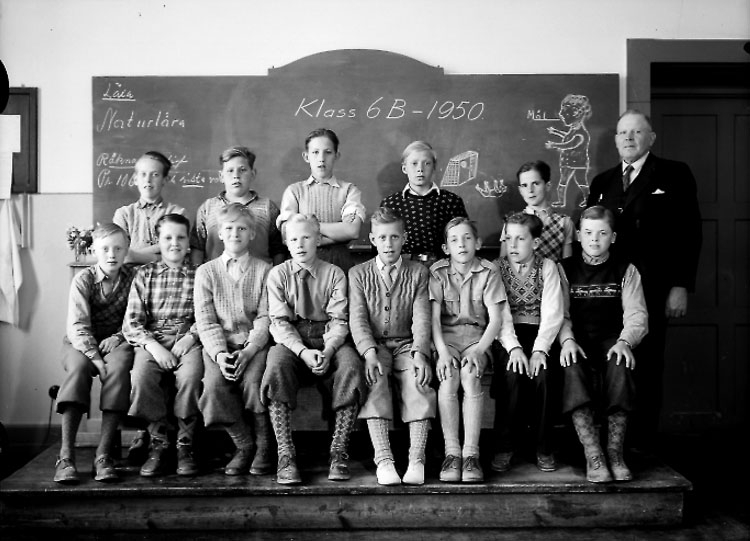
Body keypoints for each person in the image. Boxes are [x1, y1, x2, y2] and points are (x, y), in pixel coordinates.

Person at [587, 110, 702, 449]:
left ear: (651, 138)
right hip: (610, 290)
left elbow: (690, 233)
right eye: (623, 132)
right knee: (612, 362)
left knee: (647, 364)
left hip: (655, 287)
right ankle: (610, 443)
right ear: (615, 140)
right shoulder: (602, 182)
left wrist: (681, 285)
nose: (629, 138)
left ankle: (642, 445)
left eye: (637, 132)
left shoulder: (674, 174)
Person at [261, 213, 366, 484]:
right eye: (293, 239)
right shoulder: (278, 275)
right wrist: (302, 352)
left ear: (318, 240)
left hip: (328, 335)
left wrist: (329, 350)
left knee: (351, 365)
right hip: (293, 337)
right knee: (276, 364)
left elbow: (339, 319)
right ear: (286, 243)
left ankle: (338, 450)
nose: (300, 244)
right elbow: (279, 323)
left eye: (306, 237)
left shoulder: (334, 274)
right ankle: (286, 454)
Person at [558, 206, 648, 483]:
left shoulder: (626, 270)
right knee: (572, 366)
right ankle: (593, 453)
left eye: (602, 233)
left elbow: (637, 315)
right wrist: (567, 340)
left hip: (612, 339)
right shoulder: (565, 269)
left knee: (620, 364)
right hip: (577, 340)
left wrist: (625, 341)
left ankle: (614, 452)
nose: (594, 239)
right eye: (588, 233)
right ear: (578, 235)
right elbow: (559, 314)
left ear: (613, 237)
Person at [349, 207, 435, 486]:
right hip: (375, 347)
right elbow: (358, 319)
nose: (389, 244)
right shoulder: (358, 273)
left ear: (404, 238)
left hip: (407, 345)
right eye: (383, 238)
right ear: (372, 239)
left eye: (395, 237)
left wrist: (420, 353)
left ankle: (417, 459)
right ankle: (384, 460)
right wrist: (368, 352)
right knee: (374, 380)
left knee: (418, 380)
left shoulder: (418, 273)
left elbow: (422, 318)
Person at [194, 203, 274, 476]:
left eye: (242, 228)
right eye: (229, 228)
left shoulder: (265, 270)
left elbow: (266, 316)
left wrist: (250, 350)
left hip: (254, 345)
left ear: (252, 234)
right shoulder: (206, 272)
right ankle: (244, 444)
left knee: (254, 383)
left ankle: (264, 445)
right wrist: (219, 354)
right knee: (214, 386)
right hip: (219, 346)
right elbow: (206, 320)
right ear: (219, 233)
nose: (235, 234)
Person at [53, 223, 136, 484]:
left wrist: (118, 337)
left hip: (117, 341)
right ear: (93, 251)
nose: (112, 255)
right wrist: (95, 358)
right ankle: (66, 456)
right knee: (78, 370)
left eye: (118, 249)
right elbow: (78, 325)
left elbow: (137, 317)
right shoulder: (84, 280)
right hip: (81, 342)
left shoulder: (134, 278)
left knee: (118, 368)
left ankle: (103, 455)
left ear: (126, 250)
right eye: (105, 249)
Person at [123, 213, 203, 477]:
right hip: (152, 340)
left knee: (191, 376)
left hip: (187, 339)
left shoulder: (200, 275)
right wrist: (153, 347)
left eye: (181, 238)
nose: (174, 243)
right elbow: (132, 322)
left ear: (188, 242)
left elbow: (207, 316)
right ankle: (158, 441)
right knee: (142, 377)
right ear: (159, 241)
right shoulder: (145, 274)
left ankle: (185, 444)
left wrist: (191, 336)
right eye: (168, 238)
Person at [430, 217, 509, 483]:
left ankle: (471, 454)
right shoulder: (438, 272)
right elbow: (433, 320)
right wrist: (442, 352)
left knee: (470, 374)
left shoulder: (489, 271)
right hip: (447, 340)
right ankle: (452, 453)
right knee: (449, 376)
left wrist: (479, 350)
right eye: (454, 240)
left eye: (466, 238)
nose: (461, 244)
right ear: (446, 248)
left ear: (477, 243)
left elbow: (495, 320)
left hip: (478, 340)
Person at [492, 212, 564, 473]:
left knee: (543, 374)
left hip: (540, 333)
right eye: (509, 238)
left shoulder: (548, 267)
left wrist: (540, 350)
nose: (512, 245)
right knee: (512, 373)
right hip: (506, 335)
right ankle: (504, 446)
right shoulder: (496, 268)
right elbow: (499, 314)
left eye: (520, 239)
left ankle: (544, 447)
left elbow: (553, 312)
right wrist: (514, 348)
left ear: (535, 242)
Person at [276, 128, 365, 273]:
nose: (321, 158)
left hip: (339, 265)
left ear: (336, 155)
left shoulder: (349, 190)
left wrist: (307, 229)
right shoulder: (294, 192)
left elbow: (352, 230)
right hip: (301, 268)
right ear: (306, 156)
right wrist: (338, 234)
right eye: (315, 152)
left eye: (328, 152)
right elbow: (287, 234)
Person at [191, 146, 286, 266]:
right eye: (230, 171)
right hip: (216, 275)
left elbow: (279, 250)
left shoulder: (268, 208)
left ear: (253, 174)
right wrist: (198, 272)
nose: (236, 175)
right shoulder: (208, 208)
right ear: (221, 176)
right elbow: (197, 247)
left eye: (242, 170)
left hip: (259, 275)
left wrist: (275, 275)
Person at [381, 140, 468, 266]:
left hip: (442, 268)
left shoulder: (451, 201)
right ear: (404, 168)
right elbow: (382, 243)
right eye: (414, 164)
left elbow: (463, 238)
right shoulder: (391, 204)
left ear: (434, 167)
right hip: (403, 268)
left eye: (427, 163)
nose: (420, 169)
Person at [113, 151, 185, 264]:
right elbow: (119, 253)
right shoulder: (124, 214)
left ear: (165, 179)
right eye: (143, 174)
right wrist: (158, 257)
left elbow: (176, 250)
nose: (148, 180)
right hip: (131, 274)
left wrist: (133, 255)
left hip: (167, 273)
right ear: (135, 179)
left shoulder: (177, 213)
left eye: (155, 174)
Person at [498, 160, 573, 263]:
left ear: (547, 186)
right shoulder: (511, 222)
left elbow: (567, 265)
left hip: (552, 273)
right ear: (520, 190)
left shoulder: (564, 222)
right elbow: (503, 262)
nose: (530, 190)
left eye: (536, 183)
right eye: (524, 185)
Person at [544, 94, 593, 208]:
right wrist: (556, 132)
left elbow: (570, 144)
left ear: (577, 114)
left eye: (566, 114)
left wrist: (554, 145)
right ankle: (561, 201)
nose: (562, 116)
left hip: (578, 163)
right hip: (567, 162)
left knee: (581, 181)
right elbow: (567, 137)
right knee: (563, 181)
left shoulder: (581, 134)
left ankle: (587, 199)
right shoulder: (573, 130)